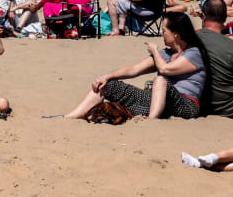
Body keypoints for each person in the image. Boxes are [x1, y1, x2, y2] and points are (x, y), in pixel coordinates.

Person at [66, 12, 208, 120]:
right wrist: (106, 77)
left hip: (185, 104)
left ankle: (151, 121)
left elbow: (166, 69)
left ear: (176, 34)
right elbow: (134, 69)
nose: (161, 33)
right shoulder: (165, 54)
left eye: (164, 30)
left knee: (160, 79)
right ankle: (73, 116)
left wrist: (154, 51)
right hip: (158, 101)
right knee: (108, 85)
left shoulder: (194, 53)